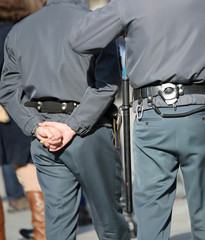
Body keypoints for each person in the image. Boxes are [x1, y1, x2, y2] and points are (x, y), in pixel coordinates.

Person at [67, 0, 205, 239]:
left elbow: (79, 40)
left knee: (151, 214)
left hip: (153, 113)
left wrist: (124, 25)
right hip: (198, 111)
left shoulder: (129, 3)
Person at [0, 0, 130, 240]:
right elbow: (107, 84)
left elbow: (8, 90)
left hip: (45, 133)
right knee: (109, 220)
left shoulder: (20, 29)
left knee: (59, 224)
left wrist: (35, 126)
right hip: (88, 132)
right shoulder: (94, 24)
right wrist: (72, 126)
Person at [0, 0, 47, 239]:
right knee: (30, 175)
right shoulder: (29, 29)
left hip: (6, 109)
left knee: (27, 174)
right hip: (24, 108)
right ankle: (42, 232)